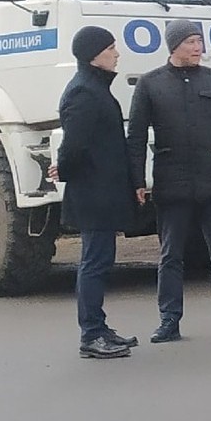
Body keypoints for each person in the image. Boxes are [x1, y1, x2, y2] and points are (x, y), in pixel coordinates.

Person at [126, 19, 211, 342]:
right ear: (174, 46)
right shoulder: (150, 84)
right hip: (172, 181)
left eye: (200, 41)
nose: (198, 48)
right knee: (171, 255)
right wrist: (137, 180)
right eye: (191, 42)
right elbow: (136, 135)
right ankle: (169, 320)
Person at [53, 26, 139, 360]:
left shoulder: (95, 88)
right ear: (94, 54)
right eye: (111, 48)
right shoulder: (84, 93)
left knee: (101, 261)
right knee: (94, 263)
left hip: (103, 191)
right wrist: (65, 168)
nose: (117, 54)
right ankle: (91, 334)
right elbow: (74, 145)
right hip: (93, 194)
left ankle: (99, 327)